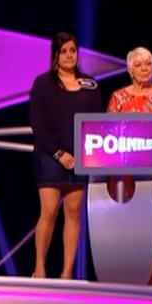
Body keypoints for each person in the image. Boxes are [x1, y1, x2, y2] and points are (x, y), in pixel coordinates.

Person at [28, 31, 104, 279]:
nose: (69, 56)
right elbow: (37, 124)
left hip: (81, 158)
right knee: (49, 211)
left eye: (73, 51)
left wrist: (84, 155)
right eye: (64, 51)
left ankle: (67, 271)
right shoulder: (43, 84)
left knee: (73, 212)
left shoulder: (90, 84)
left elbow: (97, 122)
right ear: (56, 55)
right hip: (50, 155)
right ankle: (40, 268)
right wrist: (59, 153)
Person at [106, 47, 152, 285]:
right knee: (126, 225)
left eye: (148, 63)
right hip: (124, 176)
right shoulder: (119, 97)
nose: (144, 68)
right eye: (138, 65)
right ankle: (126, 278)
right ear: (130, 70)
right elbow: (109, 134)